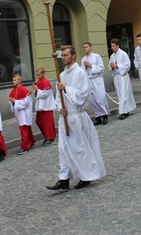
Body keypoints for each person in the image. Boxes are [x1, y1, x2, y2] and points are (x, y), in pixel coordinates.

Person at [46, 45, 106, 191]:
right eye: (62, 55)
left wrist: (66, 88)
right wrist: (60, 108)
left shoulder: (80, 73)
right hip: (65, 117)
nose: (63, 58)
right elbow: (58, 98)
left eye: (66, 55)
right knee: (63, 149)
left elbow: (84, 94)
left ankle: (87, 175)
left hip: (76, 117)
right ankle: (64, 178)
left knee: (80, 148)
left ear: (73, 56)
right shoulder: (61, 75)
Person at [81, 42, 110, 125]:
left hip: (97, 79)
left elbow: (101, 68)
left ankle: (104, 115)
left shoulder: (96, 56)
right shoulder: (83, 59)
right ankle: (97, 117)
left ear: (90, 47)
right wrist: (85, 67)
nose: (85, 49)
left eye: (86, 47)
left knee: (100, 98)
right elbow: (82, 71)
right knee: (93, 99)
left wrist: (91, 66)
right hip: (89, 80)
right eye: (84, 47)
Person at [109, 38, 136, 120]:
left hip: (123, 76)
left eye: (114, 46)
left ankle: (125, 111)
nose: (112, 47)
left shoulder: (123, 54)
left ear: (118, 45)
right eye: (111, 46)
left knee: (124, 94)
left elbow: (127, 65)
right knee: (120, 94)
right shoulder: (112, 56)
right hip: (117, 77)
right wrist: (112, 67)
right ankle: (123, 110)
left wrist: (117, 66)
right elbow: (110, 65)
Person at [9, 73, 35, 155]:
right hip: (19, 113)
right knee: (26, 129)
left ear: (19, 80)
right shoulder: (13, 91)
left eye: (15, 80)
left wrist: (15, 101)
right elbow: (12, 101)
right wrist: (12, 102)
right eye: (13, 80)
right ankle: (30, 142)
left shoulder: (23, 90)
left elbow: (26, 102)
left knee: (24, 130)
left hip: (24, 113)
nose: (13, 81)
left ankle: (25, 146)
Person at [32, 67, 57, 146]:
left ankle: (51, 138)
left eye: (39, 75)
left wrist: (37, 89)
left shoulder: (45, 82)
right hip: (41, 106)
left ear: (43, 74)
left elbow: (45, 94)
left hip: (46, 106)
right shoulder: (39, 82)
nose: (38, 77)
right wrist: (36, 89)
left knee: (47, 123)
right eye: (37, 75)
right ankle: (47, 136)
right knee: (39, 121)